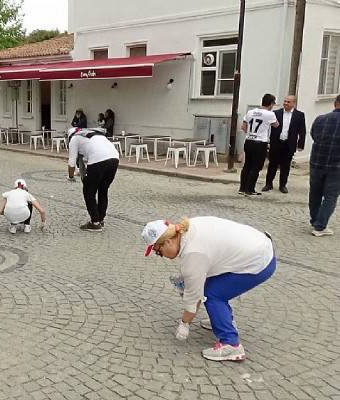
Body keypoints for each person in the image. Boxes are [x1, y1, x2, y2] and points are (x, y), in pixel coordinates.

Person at [141, 217, 276, 362]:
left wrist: (184, 323)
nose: (160, 256)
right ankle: (221, 319)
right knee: (212, 288)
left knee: (212, 294)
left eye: (158, 251)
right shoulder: (188, 228)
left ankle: (231, 344)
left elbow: (194, 297)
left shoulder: (193, 254)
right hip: (259, 245)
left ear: (168, 241)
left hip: (259, 263)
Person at [67, 128, 120, 231]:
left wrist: (70, 176)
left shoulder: (74, 139)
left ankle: (95, 222)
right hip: (114, 158)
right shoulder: (94, 134)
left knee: (89, 191)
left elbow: (72, 162)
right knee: (103, 190)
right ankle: (100, 219)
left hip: (98, 160)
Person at [308, 94, 340, 237]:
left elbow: (313, 135)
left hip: (317, 162)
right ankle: (320, 226)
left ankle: (315, 220)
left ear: (335, 103)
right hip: (336, 167)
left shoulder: (320, 119)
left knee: (315, 193)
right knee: (330, 196)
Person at [262, 95, 306, 194]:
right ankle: (268, 183)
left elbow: (302, 131)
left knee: (285, 166)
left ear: (294, 103)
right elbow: (268, 127)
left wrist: (300, 144)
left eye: (288, 102)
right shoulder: (276, 113)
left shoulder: (299, 115)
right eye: (285, 101)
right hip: (276, 142)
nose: (285, 103)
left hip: (289, 143)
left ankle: (282, 185)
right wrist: (268, 141)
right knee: (272, 164)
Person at [239, 94, 279, 196]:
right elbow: (276, 125)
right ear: (271, 104)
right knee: (256, 166)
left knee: (247, 165)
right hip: (260, 142)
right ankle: (250, 189)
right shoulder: (270, 114)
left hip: (249, 140)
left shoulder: (250, 112)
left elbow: (243, 127)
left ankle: (242, 188)